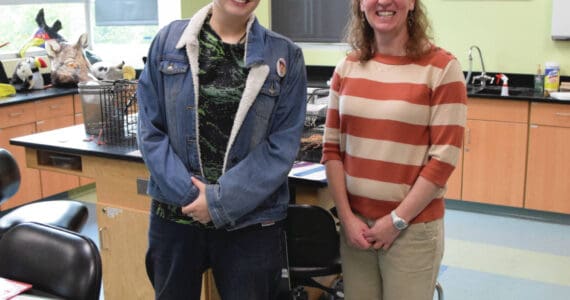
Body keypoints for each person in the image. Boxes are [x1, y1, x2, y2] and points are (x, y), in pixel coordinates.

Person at [136, 1, 307, 299]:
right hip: (176, 218)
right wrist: (191, 197)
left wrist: (217, 202)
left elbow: (281, 148)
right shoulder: (167, 43)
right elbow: (150, 131)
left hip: (251, 223)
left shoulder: (285, 56)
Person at [321, 0, 467, 299]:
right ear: (360, 5)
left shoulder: (441, 68)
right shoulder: (347, 67)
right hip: (356, 230)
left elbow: (444, 159)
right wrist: (347, 218)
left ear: (412, 3)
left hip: (412, 232)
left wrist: (397, 220)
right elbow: (332, 149)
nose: (384, 2)